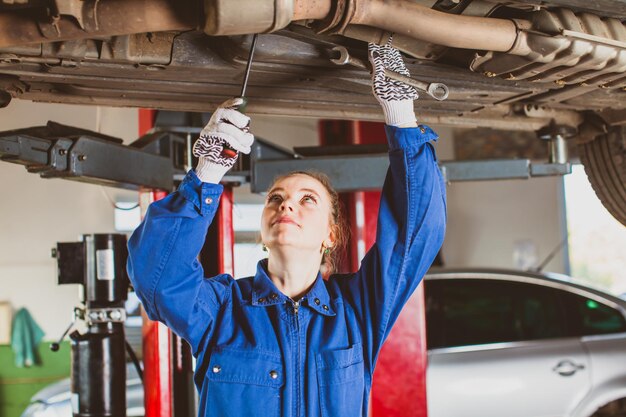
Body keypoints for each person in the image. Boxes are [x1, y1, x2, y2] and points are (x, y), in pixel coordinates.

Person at [127, 39, 446, 417]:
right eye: (275, 198)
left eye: (307, 199)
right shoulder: (225, 309)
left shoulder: (357, 310)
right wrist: (206, 172)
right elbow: (156, 278)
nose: (286, 204)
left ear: (330, 235)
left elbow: (417, 235)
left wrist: (401, 113)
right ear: (263, 232)